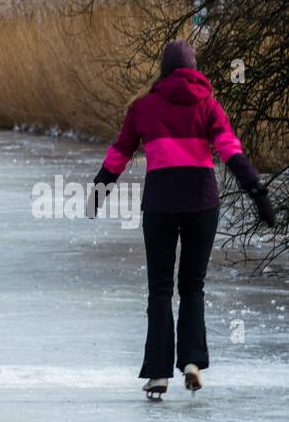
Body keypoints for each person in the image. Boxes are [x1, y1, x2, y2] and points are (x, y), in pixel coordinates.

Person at [91, 39, 277, 399]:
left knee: (160, 289)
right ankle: (192, 361)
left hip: (160, 206)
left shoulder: (144, 107)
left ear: (164, 69)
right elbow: (230, 151)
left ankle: (159, 373)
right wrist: (258, 191)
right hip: (200, 205)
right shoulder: (208, 105)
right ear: (194, 69)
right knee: (192, 286)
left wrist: (98, 192)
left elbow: (119, 154)